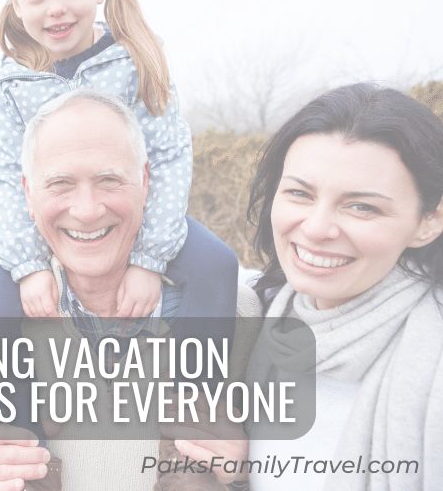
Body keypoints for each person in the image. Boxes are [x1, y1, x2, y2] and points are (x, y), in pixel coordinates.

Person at [173, 84, 443, 490]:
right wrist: (241, 475)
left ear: (429, 222)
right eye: (300, 193)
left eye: (362, 206)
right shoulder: (257, 312)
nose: (316, 229)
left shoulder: (430, 360)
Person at [0, 89, 239, 491]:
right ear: (27, 193)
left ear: (146, 181)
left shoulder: (248, 316)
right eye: (61, 183)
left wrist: (242, 475)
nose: (87, 210)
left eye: (109, 180)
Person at [0, 0, 211, 322]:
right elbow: (6, 179)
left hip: (140, 223)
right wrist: (29, 265)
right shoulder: (10, 87)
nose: (56, 8)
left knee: (217, 267)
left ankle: (199, 385)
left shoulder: (135, 59)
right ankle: (11, 391)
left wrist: (148, 259)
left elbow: (168, 156)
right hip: (52, 228)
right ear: (16, 1)